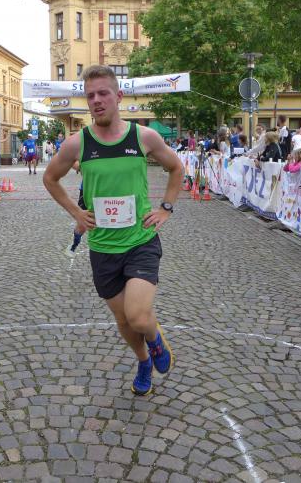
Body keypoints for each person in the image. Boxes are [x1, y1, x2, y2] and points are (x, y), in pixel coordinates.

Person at [43, 65, 182, 396]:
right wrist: (76, 212)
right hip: (103, 247)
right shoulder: (77, 144)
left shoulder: (143, 137)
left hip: (140, 241)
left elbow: (176, 168)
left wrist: (165, 208)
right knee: (123, 321)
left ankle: (155, 340)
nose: (96, 100)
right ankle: (144, 361)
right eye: (90, 95)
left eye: (103, 93)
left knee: (138, 316)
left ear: (118, 96)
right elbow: (50, 178)